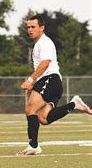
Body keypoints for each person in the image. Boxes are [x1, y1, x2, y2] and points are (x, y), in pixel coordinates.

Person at [16, 14, 91, 156]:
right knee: (43, 118)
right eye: (28, 27)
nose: (30, 30)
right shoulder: (39, 43)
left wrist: (30, 81)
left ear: (42, 28)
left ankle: (33, 146)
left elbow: (45, 64)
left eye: (33, 27)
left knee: (30, 109)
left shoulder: (44, 43)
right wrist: (34, 85)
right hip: (52, 82)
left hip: (50, 80)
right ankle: (73, 104)